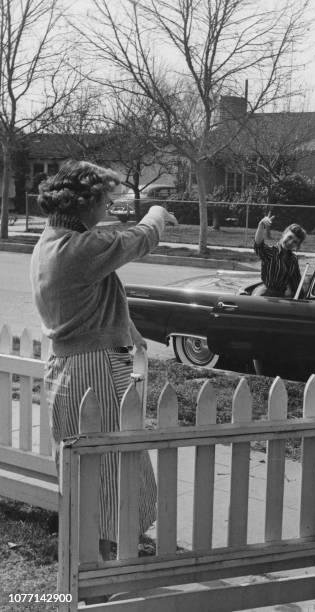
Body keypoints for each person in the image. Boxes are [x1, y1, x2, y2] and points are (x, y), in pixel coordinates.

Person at [30, 160, 178, 562]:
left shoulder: (52, 240)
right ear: (86, 203)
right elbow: (140, 239)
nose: (109, 209)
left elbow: (94, 296)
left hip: (69, 367)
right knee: (109, 472)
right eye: (105, 201)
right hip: (92, 369)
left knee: (88, 470)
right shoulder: (79, 249)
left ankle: (90, 567)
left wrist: (126, 326)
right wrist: (157, 212)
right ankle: (99, 573)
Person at [253, 212, 307, 297]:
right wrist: (261, 226)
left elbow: (296, 283)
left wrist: (304, 299)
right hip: (264, 296)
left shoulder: (293, 259)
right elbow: (258, 245)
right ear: (284, 233)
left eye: (295, 242)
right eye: (289, 237)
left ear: (297, 246)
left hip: (281, 298)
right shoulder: (271, 252)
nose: (290, 242)